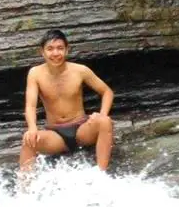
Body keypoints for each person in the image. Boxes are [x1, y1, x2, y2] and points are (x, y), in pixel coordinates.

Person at [19, 29, 115, 171]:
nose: (55, 53)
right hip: (55, 135)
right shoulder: (35, 74)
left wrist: (102, 114)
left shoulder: (80, 70)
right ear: (42, 52)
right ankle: (24, 190)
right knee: (28, 140)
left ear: (67, 50)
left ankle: (101, 175)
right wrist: (32, 127)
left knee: (105, 122)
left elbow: (107, 92)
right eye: (50, 49)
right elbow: (31, 106)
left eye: (60, 48)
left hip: (81, 130)